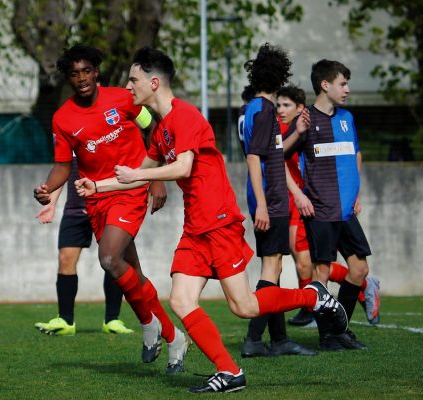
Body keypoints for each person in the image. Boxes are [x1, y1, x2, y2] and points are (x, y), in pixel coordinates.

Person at [75, 46, 348, 394]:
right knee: (181, 300)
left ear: (154, 82)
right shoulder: (160, 131)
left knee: (244, 306)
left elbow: (183, 167)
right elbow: (139, 172)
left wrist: (138, 177)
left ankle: (314, 298)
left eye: (134, 80)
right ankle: (229, 371)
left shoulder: (185, 116)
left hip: (218, 221)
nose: (128, 87)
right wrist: (96, 185)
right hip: (195, 228)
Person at [32, 44, 189, 374]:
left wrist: (155, 178)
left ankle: (150, 324)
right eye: (74, 73)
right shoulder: (63, 118)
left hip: (129, 190)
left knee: (107, 257)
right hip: (96, 197)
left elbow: (154, 127)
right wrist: (48, 188)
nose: (82, 78)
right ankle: (173, 337)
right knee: (132, 272)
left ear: (97, 71)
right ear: (68, 78)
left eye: (86, 70)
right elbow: (62, 166)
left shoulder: (123, 98)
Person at [284, 59, 375, 351]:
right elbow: (278, 155)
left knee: (359, 269)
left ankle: (340, 329)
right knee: (321, 273)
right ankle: (327, 336)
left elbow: (355, 153)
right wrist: (299, 195)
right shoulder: (306, 119)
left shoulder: (347, 117)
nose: (347, 89)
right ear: (325, 85)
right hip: (321, 209)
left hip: (346, 210)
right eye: (342, 83)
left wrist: (356, 191)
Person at [239, 44, 315, 358]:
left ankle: (280, 338)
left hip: (267, 197)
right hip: (269, 197)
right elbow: (255, 158)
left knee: (276, 267)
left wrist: (294, 133)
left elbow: (270, 152)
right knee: (270, 269)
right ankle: (254, 340)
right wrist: (263, 205)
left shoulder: (250, 108)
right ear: (279, 75)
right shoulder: (265, 109)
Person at [34, 156, 133, 335]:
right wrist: (52, 203)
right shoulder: (67, 133)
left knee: (113, 260)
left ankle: (112, 320)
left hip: (108, 205)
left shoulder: (112, 131)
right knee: (65, 258)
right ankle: (65, 321)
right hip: (75, 209)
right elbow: (62, 170)